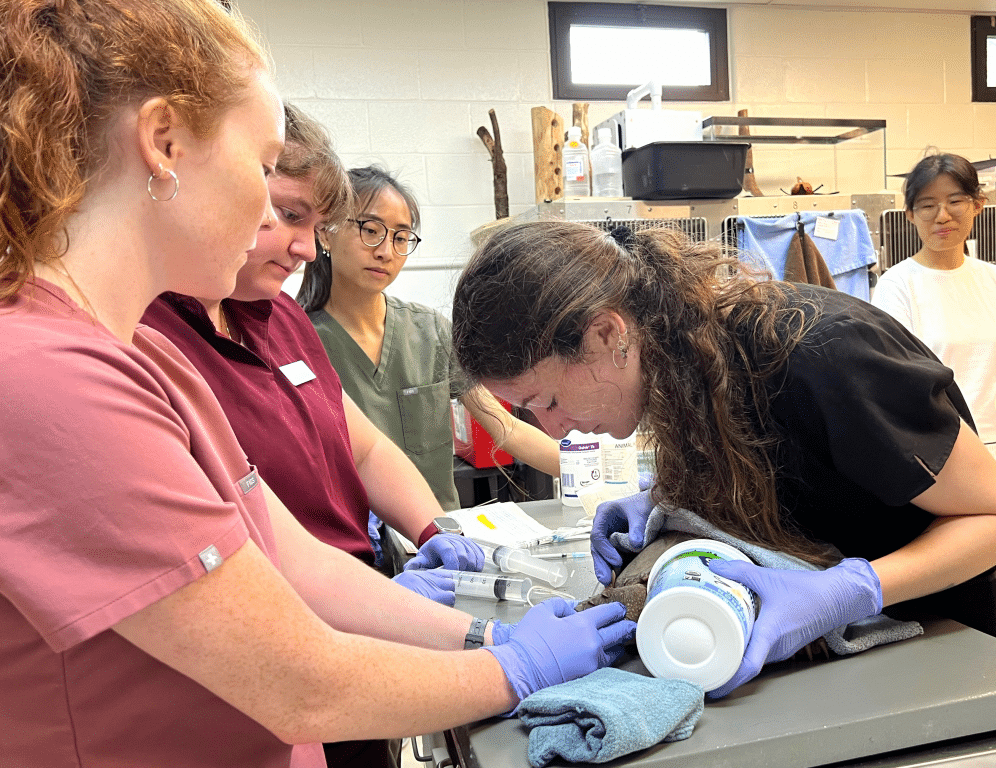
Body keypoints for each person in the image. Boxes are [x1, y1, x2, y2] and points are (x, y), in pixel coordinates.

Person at [0, 3, 635, 767]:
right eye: (265, 166)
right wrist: (514, 668)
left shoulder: (146, 359)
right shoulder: (45, 375)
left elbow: (292, 559)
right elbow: (300, 683)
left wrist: (483, 633)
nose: (291, 231)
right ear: (163, 143)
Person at [450, 219, 996, 699]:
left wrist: (851, 589)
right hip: (852, 658)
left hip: (957, 642)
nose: (550, 427)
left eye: (546, 400)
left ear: (607, 332)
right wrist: (664, 500)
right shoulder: (682, 365)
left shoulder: (825, 356)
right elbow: (795, 471)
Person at [139, 102, 483, 766]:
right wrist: (495, 655)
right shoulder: (151, 338)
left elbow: (364, 445)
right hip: (273, 629)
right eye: (289, 215)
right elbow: (284, 560)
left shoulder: (280, 319)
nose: (303, 247)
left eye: (315, 225)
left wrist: (436, 530)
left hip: (356, 598)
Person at [297, 166, 560, 511]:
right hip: (356, 545)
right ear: (326, 234)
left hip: (439, 539)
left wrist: (597, 480)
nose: (385, 251)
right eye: (371, 230)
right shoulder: (297, 342)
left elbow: (506, 428)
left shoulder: (430, 331)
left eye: (401, 237)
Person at [872, 152, 996, 490]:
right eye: (927, 205)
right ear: (910, 214)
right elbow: (900, 391)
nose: (943, 215)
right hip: (938, 460)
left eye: (955, 200)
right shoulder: (896, 286)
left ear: (977, 204)